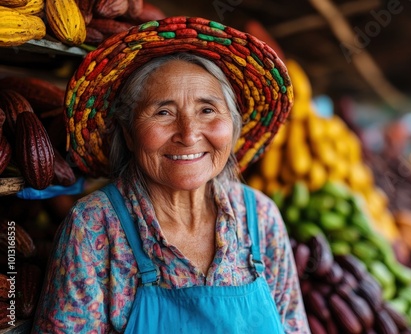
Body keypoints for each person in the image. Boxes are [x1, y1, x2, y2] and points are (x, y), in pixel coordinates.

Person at [32, 16, 309, 333]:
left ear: (233, 126)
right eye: (163, 112)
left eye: (207, 110)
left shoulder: (260, 218)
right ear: (129, 131)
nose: (189, 135)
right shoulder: (93, 227)